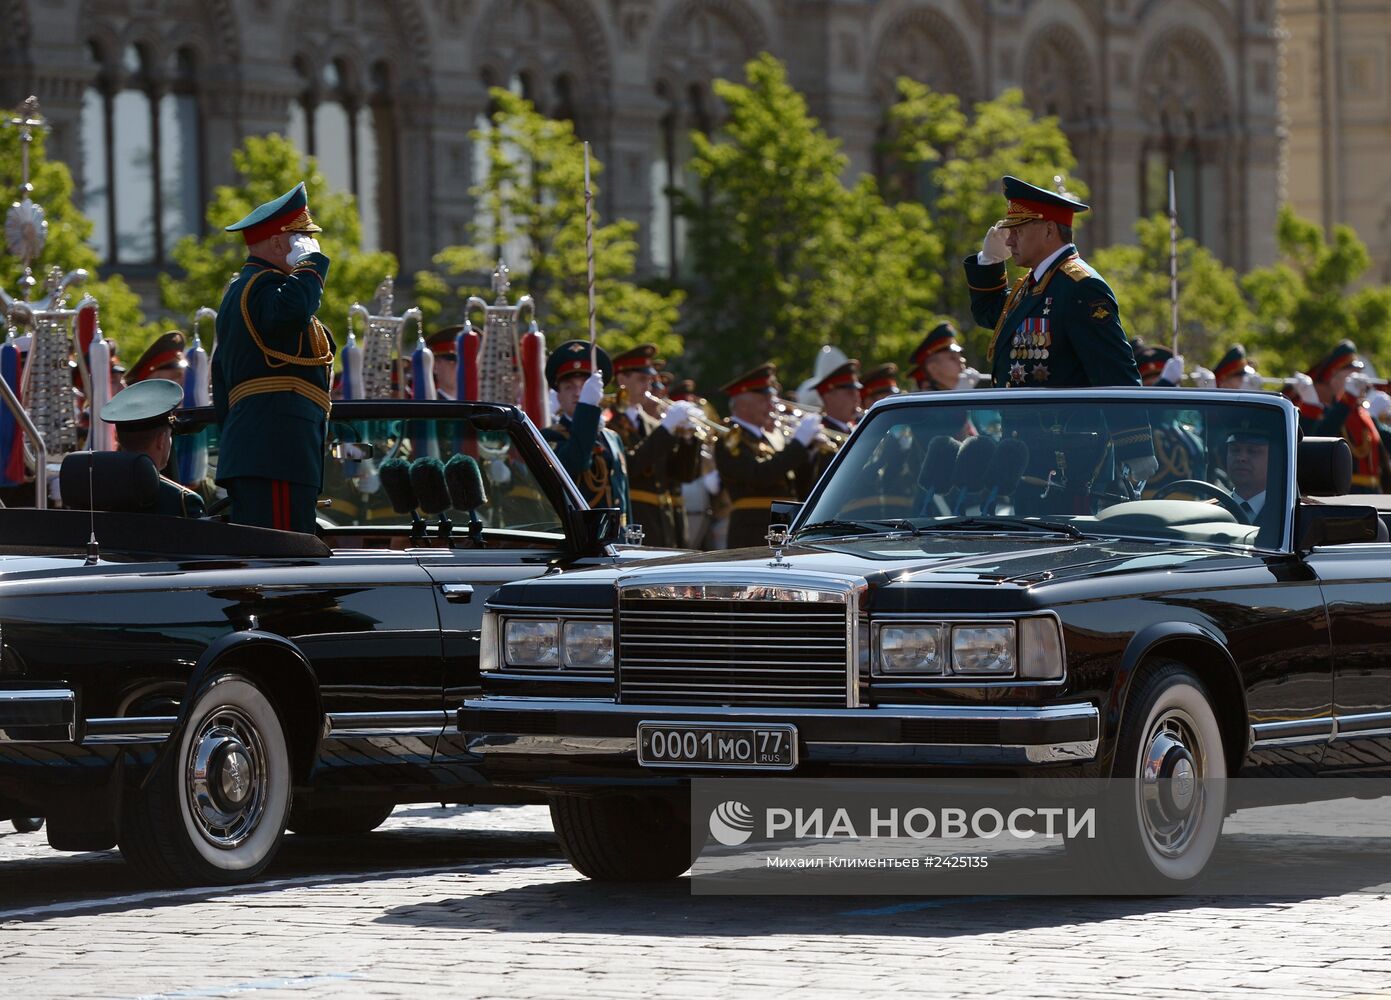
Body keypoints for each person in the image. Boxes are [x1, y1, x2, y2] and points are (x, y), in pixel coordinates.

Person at [212, 181, 335, 533]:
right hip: (276, 452)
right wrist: (310, 265)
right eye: (301, 239)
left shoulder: (257, 290)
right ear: (281, 243)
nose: (310, 245)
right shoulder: (259, 287)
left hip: (271, 451)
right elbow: (292, 311)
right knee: (282, 572)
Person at [963, 175, 1140, 389]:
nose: (1009, 241)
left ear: (1049, 230)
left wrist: (1132, 424)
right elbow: (989, 314)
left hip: (1064, 423)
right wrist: (989, 261)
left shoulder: (1081, 287)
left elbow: (1116, 377)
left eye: (1017, 231)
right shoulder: (1035, 282)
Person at [715, 363, 818, 548]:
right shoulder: (730, 437)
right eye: (765, 399)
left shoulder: (768, 437)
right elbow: (759, 475)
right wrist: (798, 445)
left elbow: (796, 486)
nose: (772, 405)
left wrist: (808, 451)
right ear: (743, 404)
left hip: (782, 526)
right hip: (752, 531)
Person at [607, 344, 700, 547]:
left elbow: (682, 475)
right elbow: (630, 466)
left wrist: (688, 440)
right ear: (622, 379)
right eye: (642, 379)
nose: (648, 386)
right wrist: (666, 430)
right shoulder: (608, 421)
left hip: (663, 523)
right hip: (634, 519)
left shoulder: (653, 425)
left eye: (650, 380)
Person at [543, 340, 630, 520]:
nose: (577, 393)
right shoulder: (548, 437)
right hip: (582, 539)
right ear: (558, 396)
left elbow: (622, 496)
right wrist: (587, 408)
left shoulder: (612, 438)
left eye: (584, 386)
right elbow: (577, 462)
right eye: (569, 387)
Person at [101, 378, 205, 517]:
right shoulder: (183, 502)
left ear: (117, 438)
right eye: (169, 436)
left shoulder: (92, 491)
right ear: (161, 441)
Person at [1297, 340, 1391, 492]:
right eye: (1352, 373)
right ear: (1333, 380)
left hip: (1375, 498)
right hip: (1344, 498)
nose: (1360, 377)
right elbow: (1319, 439)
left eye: (1359, 372)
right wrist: (1347, 399)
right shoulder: (1326, 415)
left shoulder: (1366, 417)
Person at [1134, 343, 1205, 490]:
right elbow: (1142, 414)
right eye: (1150, 386)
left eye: (1159, 381)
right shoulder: (1139, 428)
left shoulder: (1185, 432)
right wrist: (1164, 383)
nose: (1156, 385)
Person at [1224, 424, 1280, 545]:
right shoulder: (1210, 511)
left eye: (1252, 451)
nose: (1241, 458)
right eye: (1235, 450)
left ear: (1274, 458)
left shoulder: (1288, 514)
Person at [908, 322, 970, 392]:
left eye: (959, 356)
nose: (962, 360)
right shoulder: (925, 398)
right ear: (933, 368)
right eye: (952, 358)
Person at [426, 325, 464, 400]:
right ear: (435, 366)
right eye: (453, 361)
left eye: (465, 362)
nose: (461, 367)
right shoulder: (430, 406)